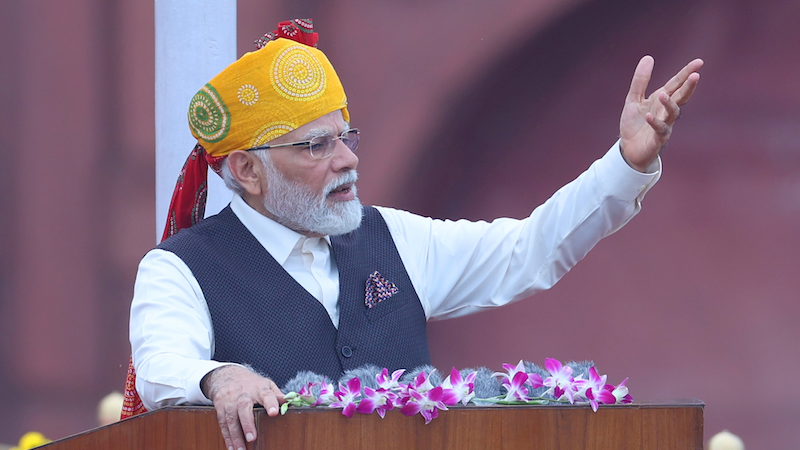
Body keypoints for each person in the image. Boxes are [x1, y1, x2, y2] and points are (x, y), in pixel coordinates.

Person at [128, 18, 702, 450]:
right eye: (316, 146)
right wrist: (219, 376)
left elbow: (528, 251)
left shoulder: (392, 237)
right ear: (249, 171)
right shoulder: (181, 268)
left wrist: (625, 162)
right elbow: (162, 370)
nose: (347, 160)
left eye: (346, 136)